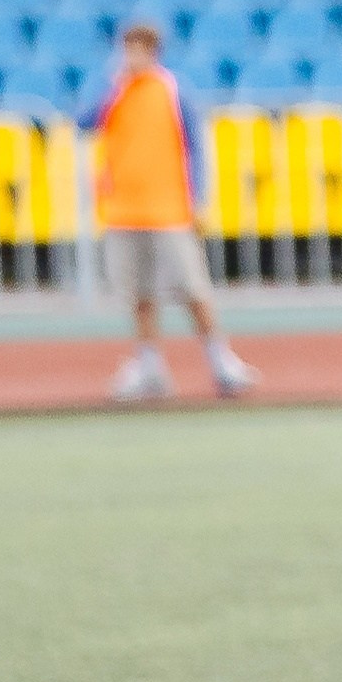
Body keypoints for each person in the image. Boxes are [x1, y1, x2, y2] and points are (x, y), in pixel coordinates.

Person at [82, 23, 257, 401]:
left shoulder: (173, 90)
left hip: (168, 208)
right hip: (124, 209)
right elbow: (85, 121)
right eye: (127, 49)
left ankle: (221, 360)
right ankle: (149, 365)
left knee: (192, 288)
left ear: (153, 52)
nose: (131, 57)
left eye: (138, 49)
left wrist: (198, 197)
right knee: (139, 293)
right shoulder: (117, 90)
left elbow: (195, 144)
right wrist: (109, 88)